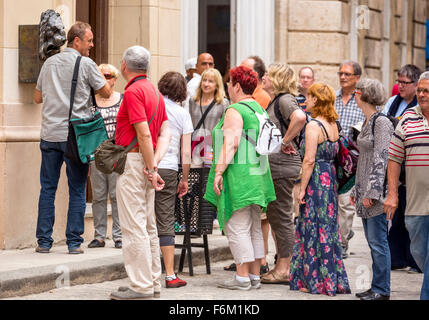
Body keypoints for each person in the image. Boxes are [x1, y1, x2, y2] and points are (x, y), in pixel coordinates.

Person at [33, 22, 111, 255]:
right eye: (89, 40)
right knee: (77, 189)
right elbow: (106, 92)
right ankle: (74, 242)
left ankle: (44, 242)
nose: (92, 45)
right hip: (76, 135)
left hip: (49, 134)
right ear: (76, 41)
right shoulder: (86, 64)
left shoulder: (48, 63)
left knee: (47, 188)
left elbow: (37, 98)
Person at [204, 66, 276, 291]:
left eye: (229, 83)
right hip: (258, 174)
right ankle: (254, 275)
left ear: (236, 85)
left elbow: (232, 143)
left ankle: (242, 277)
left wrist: (218, 172)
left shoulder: (235, 110)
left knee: (237, 226)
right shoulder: (258, 108)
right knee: (254, 226)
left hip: (240, 175)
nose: (227, 86)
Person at [109, 46, 170, 300]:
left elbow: (144, 132)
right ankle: (153, 281)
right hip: (145, 162)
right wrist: (153, 164)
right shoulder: (154, 91)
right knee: (148, 226)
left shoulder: (133, 91)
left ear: (124, 66)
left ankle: (141, 285)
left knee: (134, 226)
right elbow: (165, 132)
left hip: (134, 163)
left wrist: (150, 166)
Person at [290, 83, 351, 296]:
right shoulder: (333, 124)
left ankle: (315, 279)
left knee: (313, 227)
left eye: (309, 97)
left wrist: (302, 189)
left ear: (317, 100)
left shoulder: (313, 125)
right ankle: (331, 279)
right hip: (330, 179)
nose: (306, 101)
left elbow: (308, 160)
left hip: (316, 180)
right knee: (328, 228)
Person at [259, 63, 306, 284]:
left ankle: (284, 268)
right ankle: (283, 265)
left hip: (282, 166)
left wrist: (284, 141)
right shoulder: (277, 100)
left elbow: (300, 117)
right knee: (277, 216)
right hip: (276, 166)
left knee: (282, 217)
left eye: (269, 74)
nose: (264, 77)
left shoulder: (285, 99)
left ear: (278, 79)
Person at [385, 71, 429, 300]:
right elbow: (394, 159)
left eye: (426, 91)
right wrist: (392, 194)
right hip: (415, 201)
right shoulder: (408, 119)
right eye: (419, 90)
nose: (421, 95)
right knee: (419, 251)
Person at [350, 78, 393, 300]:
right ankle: (376, 286)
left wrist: (373, 192)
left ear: (363, 94)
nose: (354, 95)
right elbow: (363, 159)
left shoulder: (382, 122)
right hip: (364, 191)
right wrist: (356, 191)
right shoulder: (368, 121)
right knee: (373, 243)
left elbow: (381, 158)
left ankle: (382, 289)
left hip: (375, 195)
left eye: (356, 91)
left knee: (378, 243)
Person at [383, 64, 422, 274]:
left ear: (416, 84)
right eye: (398, 81)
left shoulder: (420, 106)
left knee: (413, 217)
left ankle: (415, 260)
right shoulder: (392, 102)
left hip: (414, 166)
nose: (400, 86)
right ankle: (397, 258)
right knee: (396, 215)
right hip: (396, 160)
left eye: (405, 83)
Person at [156, 72, 193, 288]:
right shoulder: (182, 113)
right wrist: (185, 178)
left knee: (144, 218)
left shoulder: (152, 106)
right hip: (169, 168)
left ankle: (148, 271)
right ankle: (170, 275)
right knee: (165, 219)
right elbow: (186, 152)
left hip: (148, 164)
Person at [88, 64, 123, 249]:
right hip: (96, 154)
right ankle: (99, 236)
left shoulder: (122, 99)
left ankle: (118, 236)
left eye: (108, 76)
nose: (105, 80)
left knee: (116, 195)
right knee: (99, 196)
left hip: (116, 153)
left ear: (115, 79)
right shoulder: (90, 101)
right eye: (100, 77)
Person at [335, 60, 365, 259]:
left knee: (346, 203)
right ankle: (340, 234)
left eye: (347, 74)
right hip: (333, 157)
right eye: (341, 73)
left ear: (357, 78)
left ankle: (342, 242)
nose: (343, 77)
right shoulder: (333, 98)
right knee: (333, 201)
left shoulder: (363, 100)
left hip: (353, 161)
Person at [188, 68, 229, 168]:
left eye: (210, 81)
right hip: (195, 148)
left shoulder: (223, 103)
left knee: (209, 178)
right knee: (195, 178)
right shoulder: (192, 101)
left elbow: (226, 128)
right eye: (204, 80)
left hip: (213, 148)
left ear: (217, 85)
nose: (206, 84)